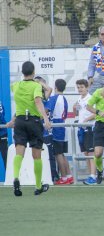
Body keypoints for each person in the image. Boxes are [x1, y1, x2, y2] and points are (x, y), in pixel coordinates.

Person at [6, 61, 51, 196]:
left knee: (19, 152)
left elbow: (21, 103)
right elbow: (38, 101)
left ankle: (15, 177)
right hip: (34, 121)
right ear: (34, 71)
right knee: (36, 155)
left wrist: (13, 120)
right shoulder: (36, 86)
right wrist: (46, 118)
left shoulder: (16, 85)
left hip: (19, 120)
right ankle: (38, 186)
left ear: (22, 72)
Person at [46, 79, 72, 185]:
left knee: (58, 154)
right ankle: (69, 175)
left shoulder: (54, 98)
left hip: (56, 127)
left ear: (55, 87)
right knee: (62, 153)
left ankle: (64, 177)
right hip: (62, 125)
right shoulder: (64, 98)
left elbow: (47, 110)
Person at [73, 79, 97, 185]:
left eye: (82, 87)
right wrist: (74, 108)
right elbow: (77, 112)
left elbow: (96, 113)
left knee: (91, 152)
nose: (80, 89)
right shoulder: (79, 99)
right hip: (81, 128)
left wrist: (87, 120)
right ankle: (90, 175)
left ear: (87, 87)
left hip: (89, 127)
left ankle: (93, 175)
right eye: (78, 87)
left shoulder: (90, 98)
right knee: (86, 153)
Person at [0, 100, 8, 172]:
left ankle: (10, 178)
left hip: (2, 132)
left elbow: (2, 115)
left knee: (5, 157)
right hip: (3, 132)